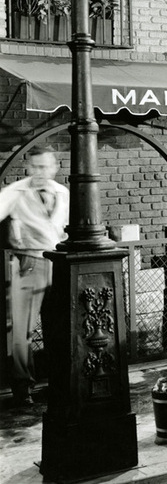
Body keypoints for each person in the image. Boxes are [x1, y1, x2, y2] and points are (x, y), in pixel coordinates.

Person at [0, 146, 69, 406]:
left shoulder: (63, 193)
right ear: (28, 167)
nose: (39, 172)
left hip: (59, 264)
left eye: (44, 166)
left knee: (59, 329)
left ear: (55, 168)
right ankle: (22, 388)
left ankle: (58, 385)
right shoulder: (15, 192)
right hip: (29, 262)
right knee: (21, 331)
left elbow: (66, 228)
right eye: (34, 166)